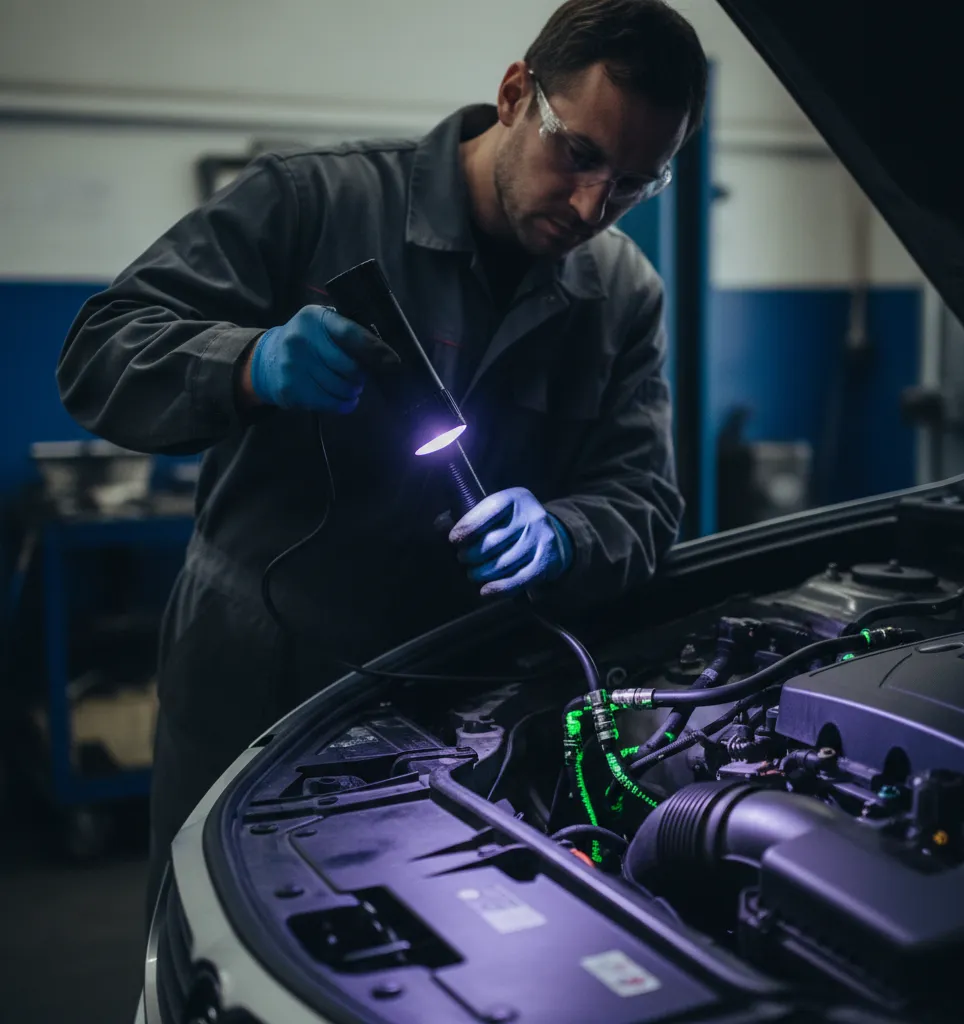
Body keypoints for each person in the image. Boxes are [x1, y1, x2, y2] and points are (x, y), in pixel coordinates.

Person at [56, 0, 707, 918]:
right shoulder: (312, 202)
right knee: (222, 938)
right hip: (261, 683)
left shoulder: (622, 293)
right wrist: (245, 364)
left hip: (467, 708)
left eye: (637, 182)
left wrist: (560, 532)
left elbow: (643, 500)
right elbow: (99, 351)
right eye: (582, 155)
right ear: (516, 94)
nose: (595, 206)